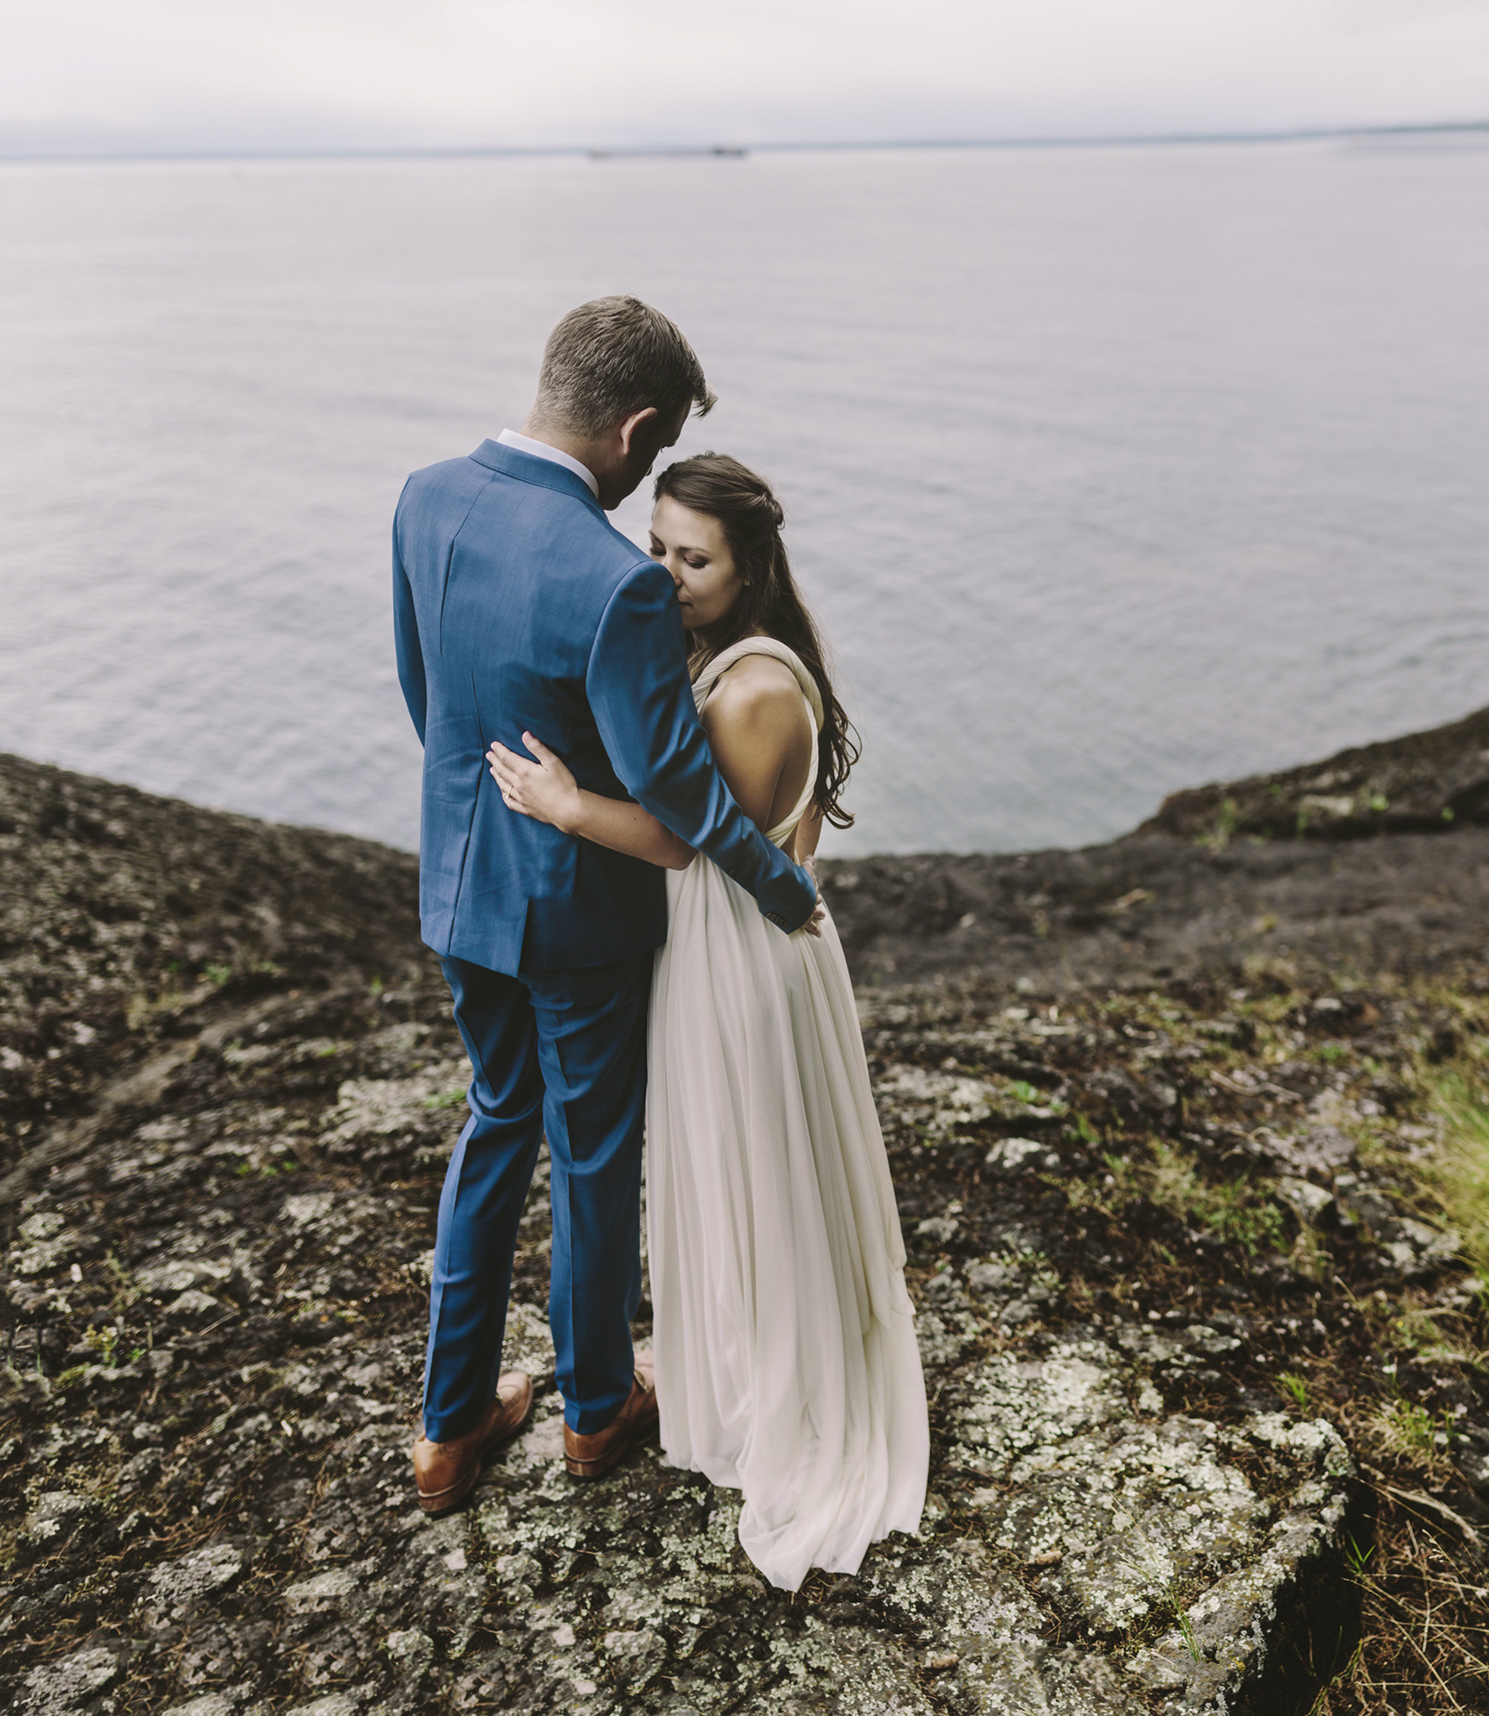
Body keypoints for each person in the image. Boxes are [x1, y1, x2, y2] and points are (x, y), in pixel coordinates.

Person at [393, 299, 819, 1518]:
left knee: (490, 1127)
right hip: (575, 914)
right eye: (654, 452)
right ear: (635, 427)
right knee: (588, 1158)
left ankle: (449, 1425)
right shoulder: (614, 580)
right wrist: (783, 883)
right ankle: (591, 1409)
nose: (642, 491)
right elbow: (680, 797)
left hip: (460, 890)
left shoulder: (424, 496)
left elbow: (430, 701)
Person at [485, 452, 928, 1592]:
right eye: (658, 551)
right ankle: (741, 1365)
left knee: (753, 1172)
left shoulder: (751, 689)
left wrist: (568, 807)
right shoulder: (718, 657)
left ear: (748, 568)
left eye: (697, 559)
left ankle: (780, 1393)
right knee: (730, 1168)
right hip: (725, 948)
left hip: (739, 957)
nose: (671, 576)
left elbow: (692, 839)